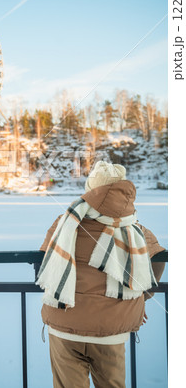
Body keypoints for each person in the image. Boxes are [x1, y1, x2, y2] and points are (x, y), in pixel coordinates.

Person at [36, 161, 166, 388]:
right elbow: (158, 261)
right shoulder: (137, 230)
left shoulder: (65, 223)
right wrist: (140, 297)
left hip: (64, 325)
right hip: (112, 330)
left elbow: (44, 264)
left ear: (91, 192)